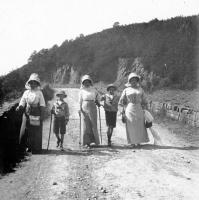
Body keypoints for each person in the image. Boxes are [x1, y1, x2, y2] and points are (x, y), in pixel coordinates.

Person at [16, 73, 46, 153]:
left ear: (37, 84)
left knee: (36, 130)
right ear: (29, 83)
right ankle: (27, 146)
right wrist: (20, 107)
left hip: (36, 112)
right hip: (27, 112)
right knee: (26, 130)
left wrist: (42, 115)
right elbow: (22, 102)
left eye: (34, 82)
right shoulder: (26, 93)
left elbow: (42, 105)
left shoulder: (39, 93)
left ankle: (36, 148)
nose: (32, 84)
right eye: (31, 82)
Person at [118, 72, 149, 147]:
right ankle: (132, 142)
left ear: (137, 81)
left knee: (139, 125)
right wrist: (122, 112)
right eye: (132, 80)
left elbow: (145, 100)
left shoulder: (141, 89)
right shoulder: (126, 90)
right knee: (130, 125)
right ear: (129, 81)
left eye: (135, 80)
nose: (134, 81)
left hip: (139, 108)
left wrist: (145, 109)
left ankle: (138, 142)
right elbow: (121, 101)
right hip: (130, 108)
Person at [79, 75, 100, 148]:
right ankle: (86, 142)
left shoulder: (93, 89)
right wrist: (79, 109)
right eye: (85, 82)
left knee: (93, 123)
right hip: (84, 106)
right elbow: (80, 100)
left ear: (90, 82)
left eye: (88, 82)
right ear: (83, 83)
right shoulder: (81, 91)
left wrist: (98, 102)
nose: (86, 83)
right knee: (85, 124)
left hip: (92, 106)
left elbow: (98, 97)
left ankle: (94, 141)